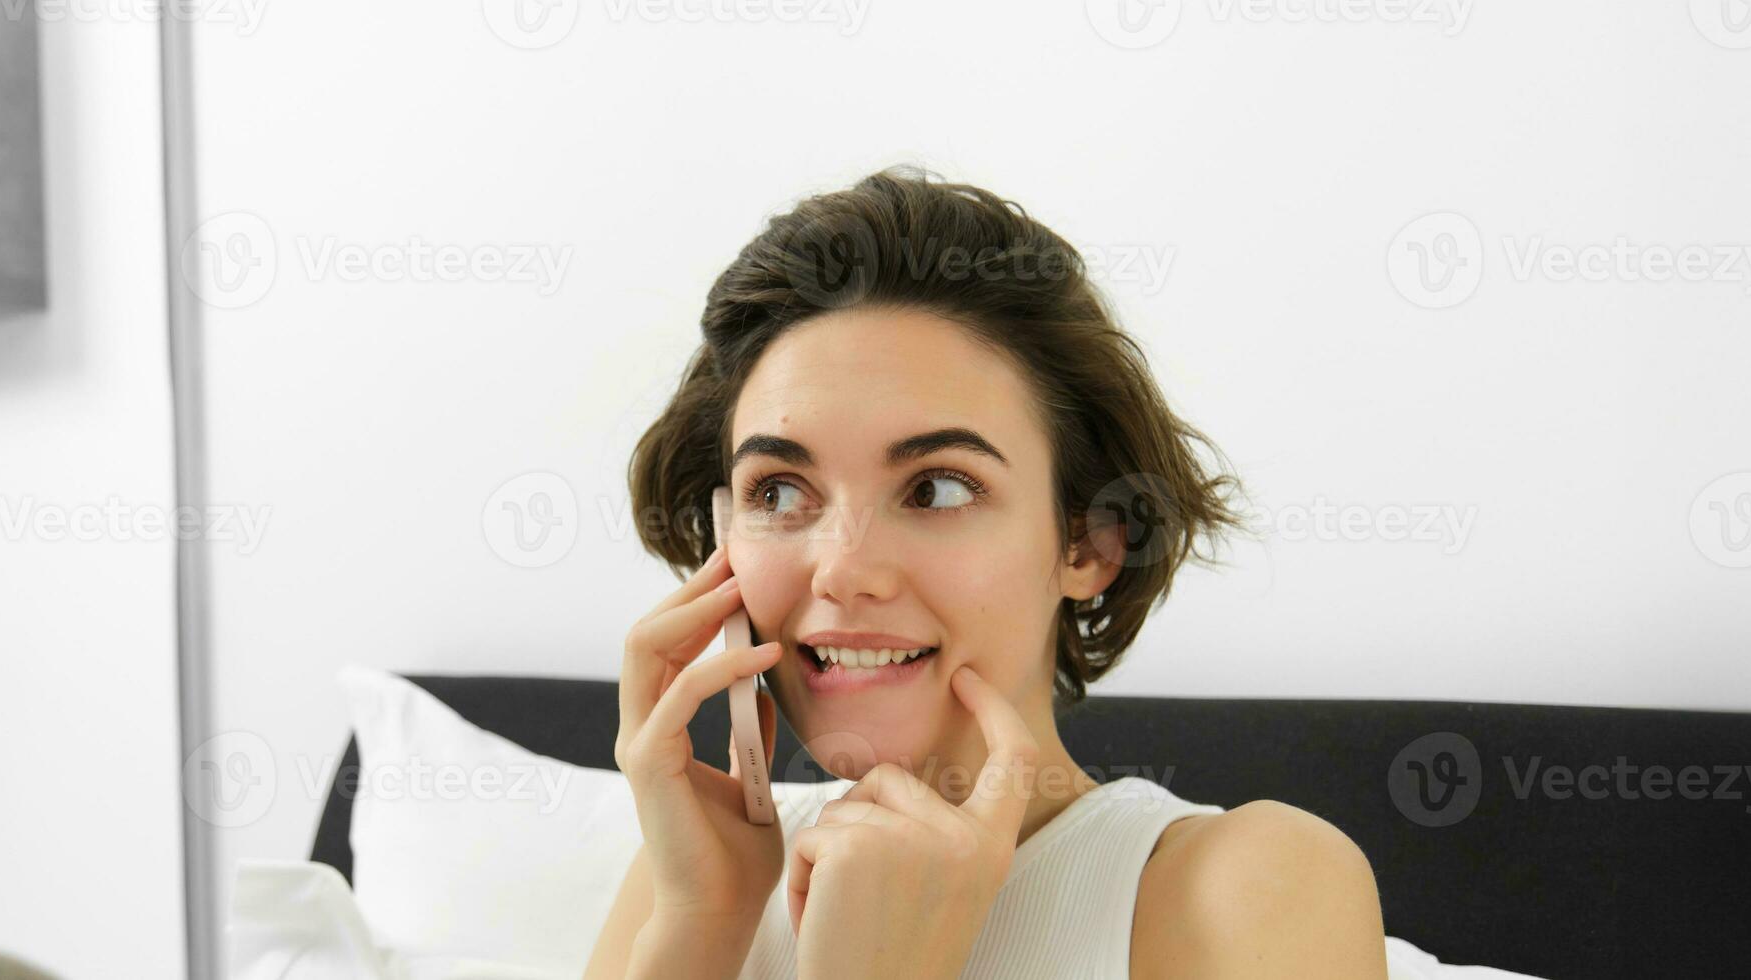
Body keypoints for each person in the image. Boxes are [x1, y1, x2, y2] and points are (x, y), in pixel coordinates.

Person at [585, 167, 1387, 979]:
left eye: (936, 489)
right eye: (780, 492)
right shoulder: (690, 882)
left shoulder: (1251, 887)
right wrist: (703, 927)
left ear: (1090, 544)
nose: (844, 570)